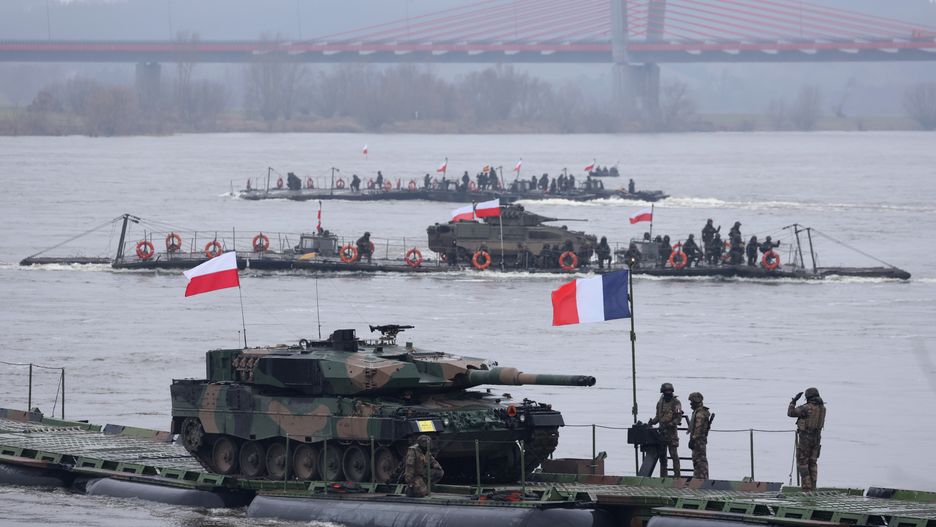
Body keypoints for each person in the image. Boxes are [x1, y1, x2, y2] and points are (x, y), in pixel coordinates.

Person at [788, 387, 825, 491]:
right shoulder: (822, 408)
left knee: (803, 464)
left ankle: (806, 488)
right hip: (817, 439)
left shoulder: (806, 408)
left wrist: (793, 401)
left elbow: (790, 413)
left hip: (805, 440)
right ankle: (813, 486)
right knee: (813, 463)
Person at [648, 383, 683, 478]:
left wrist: (670, 424)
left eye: (669, 392)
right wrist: (652, 422)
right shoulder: (660, 403)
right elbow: (658, 417)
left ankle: (677, 476)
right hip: (662, 435)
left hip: (671, 434)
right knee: (662, 458)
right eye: (666, 392)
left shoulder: (676, 402)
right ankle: (663, 477)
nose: (668, 393)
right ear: (663, 392)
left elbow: (678, 418)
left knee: (674, 456)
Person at [687, 392, 711, 480]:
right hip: (699, 440)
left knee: (700, 460)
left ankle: (702, 478)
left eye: (691, 402)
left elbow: (698, 428)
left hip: (698, 441)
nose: (690, 404)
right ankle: (698, 477)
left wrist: (692, 439)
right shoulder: (699, 411)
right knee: (697, 460)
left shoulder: (700, 413)